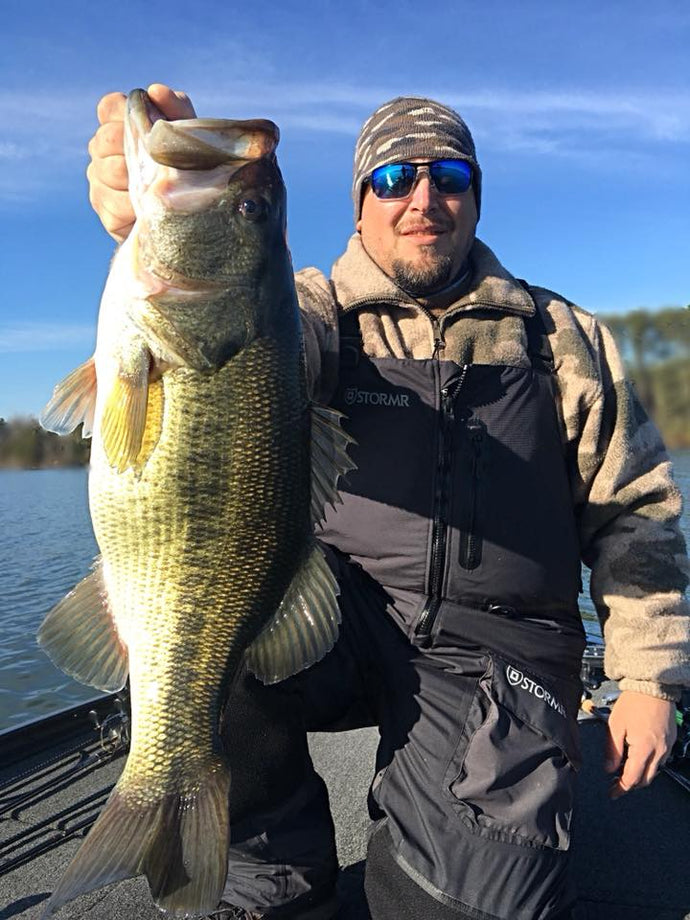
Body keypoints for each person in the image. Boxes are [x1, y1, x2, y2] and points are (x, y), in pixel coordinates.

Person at [86, 85, 689, 920]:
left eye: (449, 174)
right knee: (195, 641)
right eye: (397, 176)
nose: (424, 199)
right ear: (362, 200)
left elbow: (638, 511)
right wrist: (143, 215)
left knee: (469, 908)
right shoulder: (307, 316)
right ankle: (271, 877)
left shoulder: (561, 337)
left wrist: (651, 678)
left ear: (475, 197)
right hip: (338, 619)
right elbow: (233, 340)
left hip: (497, 653)